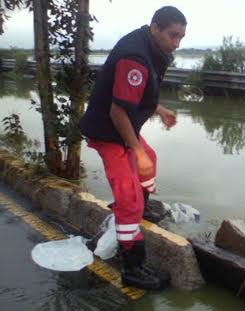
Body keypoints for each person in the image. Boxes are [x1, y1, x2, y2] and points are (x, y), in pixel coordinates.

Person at [79, 6, 187, 290]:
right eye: (172, 35)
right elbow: (118, 112)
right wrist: (135, 151)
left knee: (149, 159)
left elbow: (138, 95)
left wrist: (159, 109)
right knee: (128, 198)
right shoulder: (135, 57)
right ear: (155, 28)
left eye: (181, 37)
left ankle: (142, 206)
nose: (176, 43)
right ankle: (133, 268)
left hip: (122, 127)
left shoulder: (149, 47)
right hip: (109, 132)